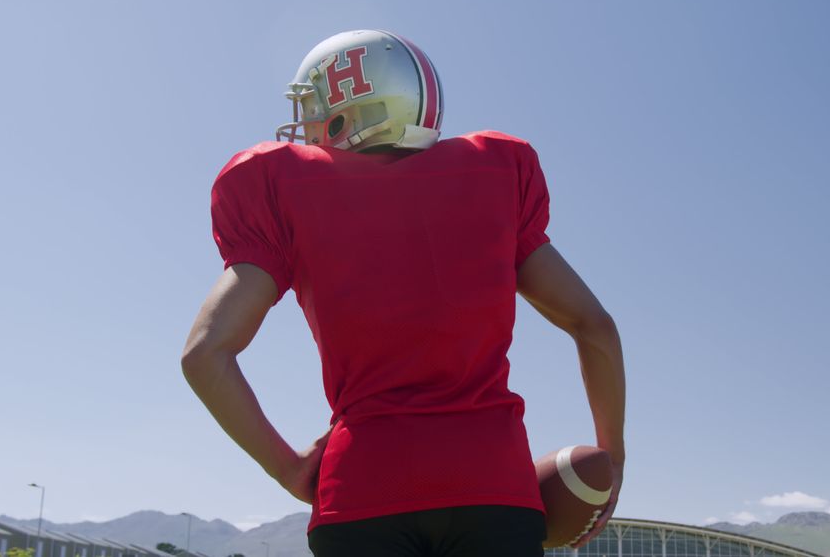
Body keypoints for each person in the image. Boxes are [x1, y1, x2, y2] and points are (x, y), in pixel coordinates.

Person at [181, 29, 625, 557]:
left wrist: (289, 468)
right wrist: (612, 457)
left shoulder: (284, 186)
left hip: (363, 487)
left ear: (347, 109)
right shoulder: (495, 172)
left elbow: (205, 354)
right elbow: (592, 326)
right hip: (493, 487)